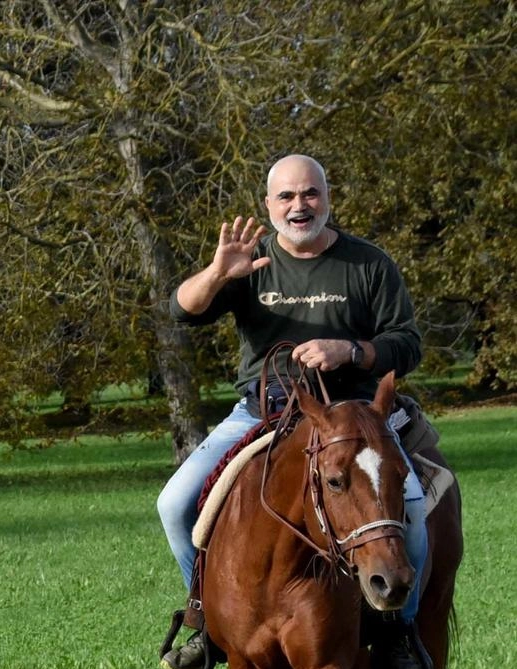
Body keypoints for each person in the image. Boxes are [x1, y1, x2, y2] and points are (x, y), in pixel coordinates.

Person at [156, 155, 430, 669]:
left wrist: (349, 351)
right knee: (174, 506)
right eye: (286, 196)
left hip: (354, 414)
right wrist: (217, 274)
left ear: (327, 199)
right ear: (269, 205)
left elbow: (407, 343)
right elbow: (181, 310)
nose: (299, 206)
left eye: (310, 194)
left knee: (411, 515)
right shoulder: (250, 261)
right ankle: (207, 622)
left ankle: (397, 630)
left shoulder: (368, 263)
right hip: (265, 410)